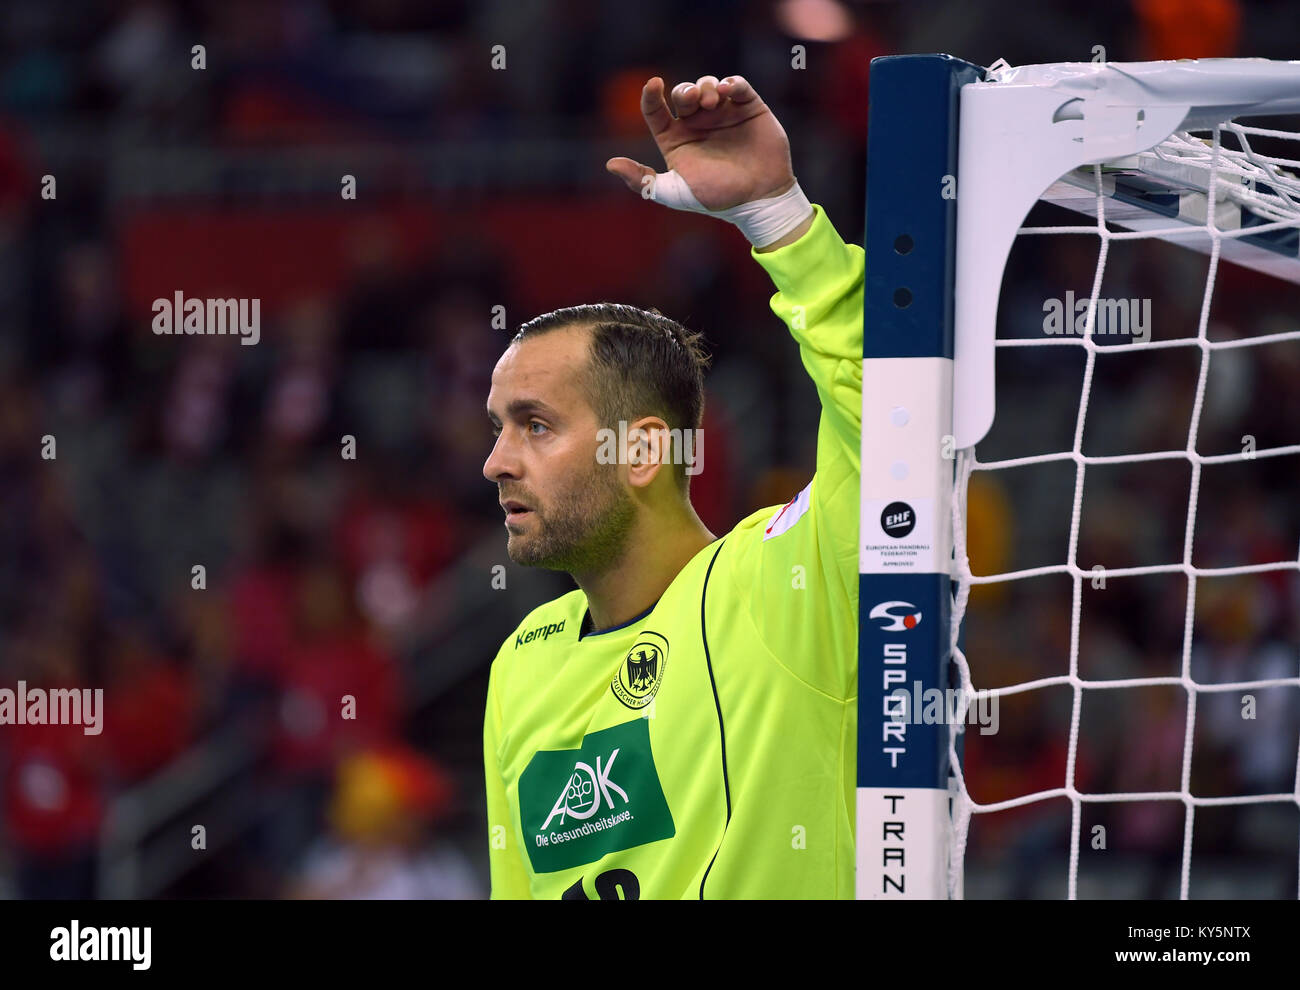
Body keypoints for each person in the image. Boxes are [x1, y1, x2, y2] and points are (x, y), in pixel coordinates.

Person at [482, 74, 861, 898]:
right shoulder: (522, 662)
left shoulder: (784, 584)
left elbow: (891, 419)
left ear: (643, 450)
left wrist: (776, 216)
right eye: (499, 427)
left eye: (535, 425)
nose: (496, 461)